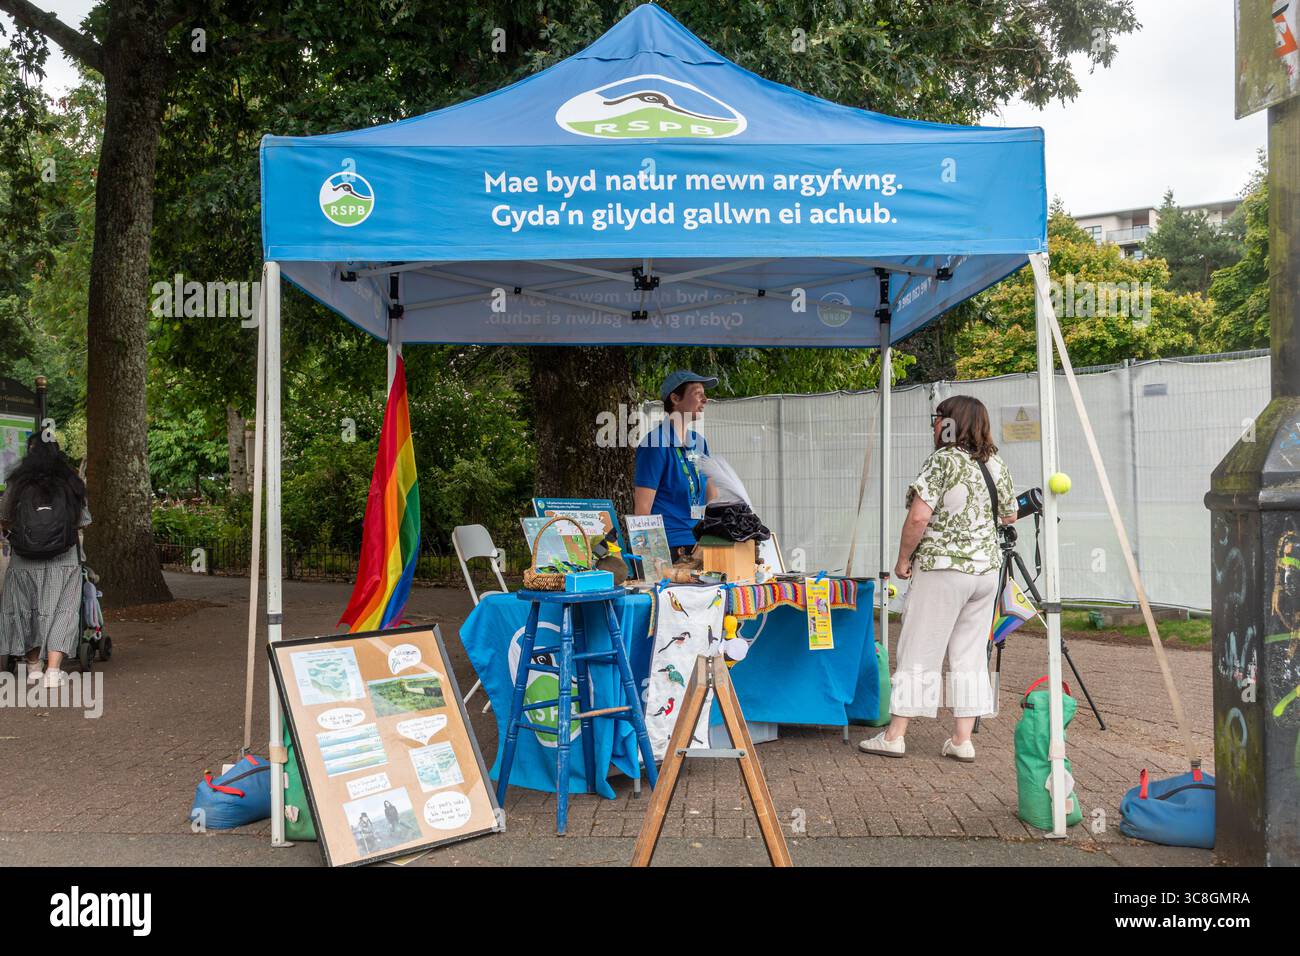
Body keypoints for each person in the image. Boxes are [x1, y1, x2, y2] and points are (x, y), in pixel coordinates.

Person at [860, 395, 1016, 762]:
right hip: (985, 573)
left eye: (938, 418)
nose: (934, 424)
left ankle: (895, 735)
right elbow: (1009, 516)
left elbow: (918, 517)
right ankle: (963, 740)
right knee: (971, 654)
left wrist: (902, 559)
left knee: (919, 648)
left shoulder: (942, 460)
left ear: (951, 423)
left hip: (944, 569)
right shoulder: (996, 464)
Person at [0, 436, 91, 689]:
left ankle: (33, 669)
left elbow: (4, 517)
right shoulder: (71, 483)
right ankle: (53, 671)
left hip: (23, 561)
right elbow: (83, 521)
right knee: (64, 610)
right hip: (64, 560)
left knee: (26, 611)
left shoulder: (17, 483)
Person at [634, 370, 719, 560]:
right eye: (698, 393)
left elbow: (712, 494)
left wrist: (712, 533)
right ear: (675, 398)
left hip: (702, 545)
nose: (705, 399)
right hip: (669, 549)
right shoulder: (655, 443)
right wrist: (650, 561)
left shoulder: (700, 442)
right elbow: (642, 509)